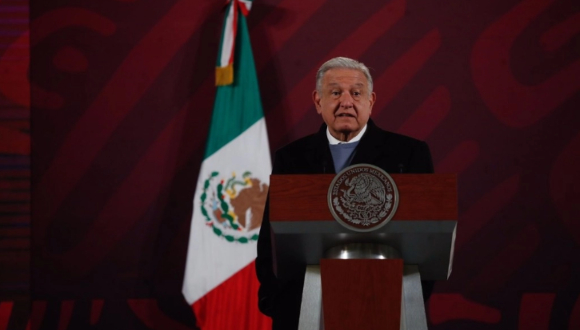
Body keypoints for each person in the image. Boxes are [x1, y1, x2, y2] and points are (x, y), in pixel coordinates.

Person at [256, 57, 434, 330]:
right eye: (336, 93)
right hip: (303, 306)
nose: (347, 102)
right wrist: (275, 300)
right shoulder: (291, 158)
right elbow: (270, 237)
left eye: (357, 93)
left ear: (371, 101)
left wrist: (410, 300)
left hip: (387, 305)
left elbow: (430, 235)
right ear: (318, 101)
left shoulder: (408, 154)